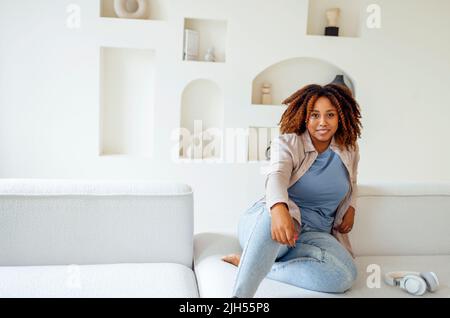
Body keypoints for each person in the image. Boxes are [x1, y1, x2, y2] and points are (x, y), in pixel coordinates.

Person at [222, 83, 363, 298]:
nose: (322, 122)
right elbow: (276, 175)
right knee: (272, 221)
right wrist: (279, 209)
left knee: (346, 275)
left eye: (330, 115)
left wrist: (351, 206)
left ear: (341, 116)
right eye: (315, 115)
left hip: (314, 235)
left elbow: (352, 181)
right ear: (305, 117)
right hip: (273, 224)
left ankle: (260, 266)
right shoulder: (287, 143)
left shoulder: (349, 148)